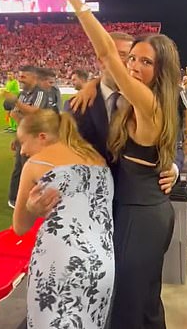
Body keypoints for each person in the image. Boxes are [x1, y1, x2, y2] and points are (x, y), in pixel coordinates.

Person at [53, 0, 179, 328]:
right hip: (145, 207)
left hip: (137, 215)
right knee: (141, 302)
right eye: (134, 59)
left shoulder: (146, 100)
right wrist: (93, 81)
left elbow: (107, 54)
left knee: (127, 305)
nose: (135, 67)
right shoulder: (154, 100)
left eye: (145, 61)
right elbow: (109, 70)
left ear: (161, 70)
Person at [13, 109, 114, 329]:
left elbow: (20, 226)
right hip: (102, 264)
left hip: (58, 265)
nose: (22, 151)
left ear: (42, 136)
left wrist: (31, 209)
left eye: (23, 142)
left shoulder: (36, 164)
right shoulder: (98, 160)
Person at [1, 65, 49, 208]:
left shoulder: (40, 93)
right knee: (19, 167)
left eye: (23, 76)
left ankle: (30, 199)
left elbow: (35, 112)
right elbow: (14, 113)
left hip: (36, 139)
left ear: (33, 77)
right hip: (25, 136)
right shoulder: (23, 94)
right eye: (19, 76)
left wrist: (17, 103)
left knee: (32, 169)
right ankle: (14, 198)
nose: (20, 79)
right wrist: (20, 135)